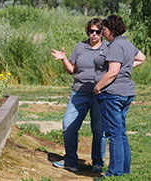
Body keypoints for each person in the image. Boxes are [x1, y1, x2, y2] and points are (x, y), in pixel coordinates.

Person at [51, 18, 107, 173]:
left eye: (97, 31)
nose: (94, 34)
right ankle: (70, 161)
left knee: (99, 130)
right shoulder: (80, 47)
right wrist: (63, 59)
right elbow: (72, 69)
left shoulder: (109, 48)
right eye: (91, 31)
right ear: (87, 31)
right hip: (79, 93)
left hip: (99, 94)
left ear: (102, 33)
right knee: (68, 125)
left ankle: (97, 163)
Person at [94, 15, 145, 178]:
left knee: (114, 133)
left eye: (104, 30)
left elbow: (113, 72)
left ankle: (114, 172)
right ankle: (124, 170)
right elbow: (141, 58)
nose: (103, 33)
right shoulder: (128, 44)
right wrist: (127, 68)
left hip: (114, 94)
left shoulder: (115, 46)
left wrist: (97, 87)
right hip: (127, 93)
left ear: (112, 31)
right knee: (121, 132)